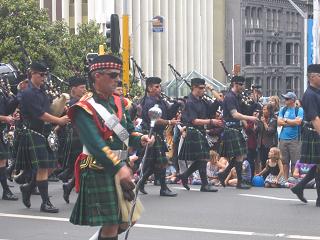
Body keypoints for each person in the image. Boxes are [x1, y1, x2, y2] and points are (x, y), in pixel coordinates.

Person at [68, 54, 154, 239]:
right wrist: (119, 168)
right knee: (112, 223)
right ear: (97, 76)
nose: (117, 79)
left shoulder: (116, 103)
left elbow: (126, 133)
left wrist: (140, 139)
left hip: (120, 166)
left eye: (118, 75)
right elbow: (95, 144)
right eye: (112, 75)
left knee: (128, 219)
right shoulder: (84, 108)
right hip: (98, 168)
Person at [18, 61, 70, 213]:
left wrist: (60, 108)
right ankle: (45, 203)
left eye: (45, 75)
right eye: (41, 75)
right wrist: (59, 120)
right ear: (32, 74)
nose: (44, 78)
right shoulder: (28, 93)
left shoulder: (42, 91)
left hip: (45, 132)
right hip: (33, 132)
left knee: (51, 166)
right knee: (42, 168)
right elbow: (40, 114)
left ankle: (28, 187)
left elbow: (48, 110)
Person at [178, 78, 223, 192]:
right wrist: (211, 122)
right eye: (201, 88)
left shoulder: (203, 101)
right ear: (194, 87)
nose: (204, 90)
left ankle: (185, 175)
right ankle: (204, 184)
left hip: (200, 131)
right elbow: (194, 121)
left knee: (202, 159)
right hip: (193, 131)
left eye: (204, 88)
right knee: (202, 158)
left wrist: (212, 90)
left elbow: (220, 102)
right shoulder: (190, 102)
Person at [138, 77, 178, 197]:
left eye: (159, 86)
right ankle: (163, 188)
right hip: (152, 134)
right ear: (149, 88)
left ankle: (141, 183)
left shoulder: (160, 101)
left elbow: (168, 114)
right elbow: (155, 119)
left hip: (158, 134)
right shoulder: (149, 102)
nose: (159, 89)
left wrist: (175, 106)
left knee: (155, 163)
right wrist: (169, 123)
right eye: (156, 86)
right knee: (161, 162)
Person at [218, 76, 258, 189]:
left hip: (236, 128)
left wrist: (254, 103)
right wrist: (250, 118)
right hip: (231, 128)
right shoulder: (230, 97)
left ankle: (224, 174)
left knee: (239, 155)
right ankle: (239, 182)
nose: (243, 87)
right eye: (241, 85)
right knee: (239, 155)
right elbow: (235, 115)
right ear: (235, 84)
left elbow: (245, 110)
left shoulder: (237, 97)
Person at [291, 64, 320, 207]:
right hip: (315, 132)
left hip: (316, 131)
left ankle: (299, 186)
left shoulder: (317, 92)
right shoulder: (309, 94)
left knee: (318, 166)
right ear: (312, 77)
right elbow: (315, 118)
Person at [59, 76, 87, 203]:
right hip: (76, 138)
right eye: (82, 87)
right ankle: (70, 184)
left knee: (83, 166)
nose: (84, 90)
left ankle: (69, 185)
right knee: (82, 166)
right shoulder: (73, 103)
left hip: (82, 137)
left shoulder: (81, 101)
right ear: (73, 89)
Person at [277, 91, 303, 180]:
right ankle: (285, 180)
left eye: (287, 99)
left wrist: (286, 120)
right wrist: (291, 122)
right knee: (284, 161)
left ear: (292, 100)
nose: (285, 100)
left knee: (295, 161)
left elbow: (298, 122)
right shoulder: (283, 109)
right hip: (283, 138)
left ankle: (294, 179)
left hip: (295, 139)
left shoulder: (299, 110)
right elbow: (279, 122)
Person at [0, 84, 19, 200]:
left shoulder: (2, 90)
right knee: (1, 160)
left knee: (3, 159)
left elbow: (7, 107)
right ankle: (6, 190)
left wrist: (12, 114)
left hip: (2, 129)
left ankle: (6, 190)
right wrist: (5, 118)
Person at [256, 104, 278, 171]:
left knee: (270, 162)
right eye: (263, 109)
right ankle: (263, 177)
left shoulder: (273, 120)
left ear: (269, 111)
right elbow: (256, 131)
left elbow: (270, 131)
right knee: (263, 162)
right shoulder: (261, 119)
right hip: (261, 145)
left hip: (269, 145)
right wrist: (256, 121)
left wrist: (264, 122)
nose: (263, 111)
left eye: (265, 109)